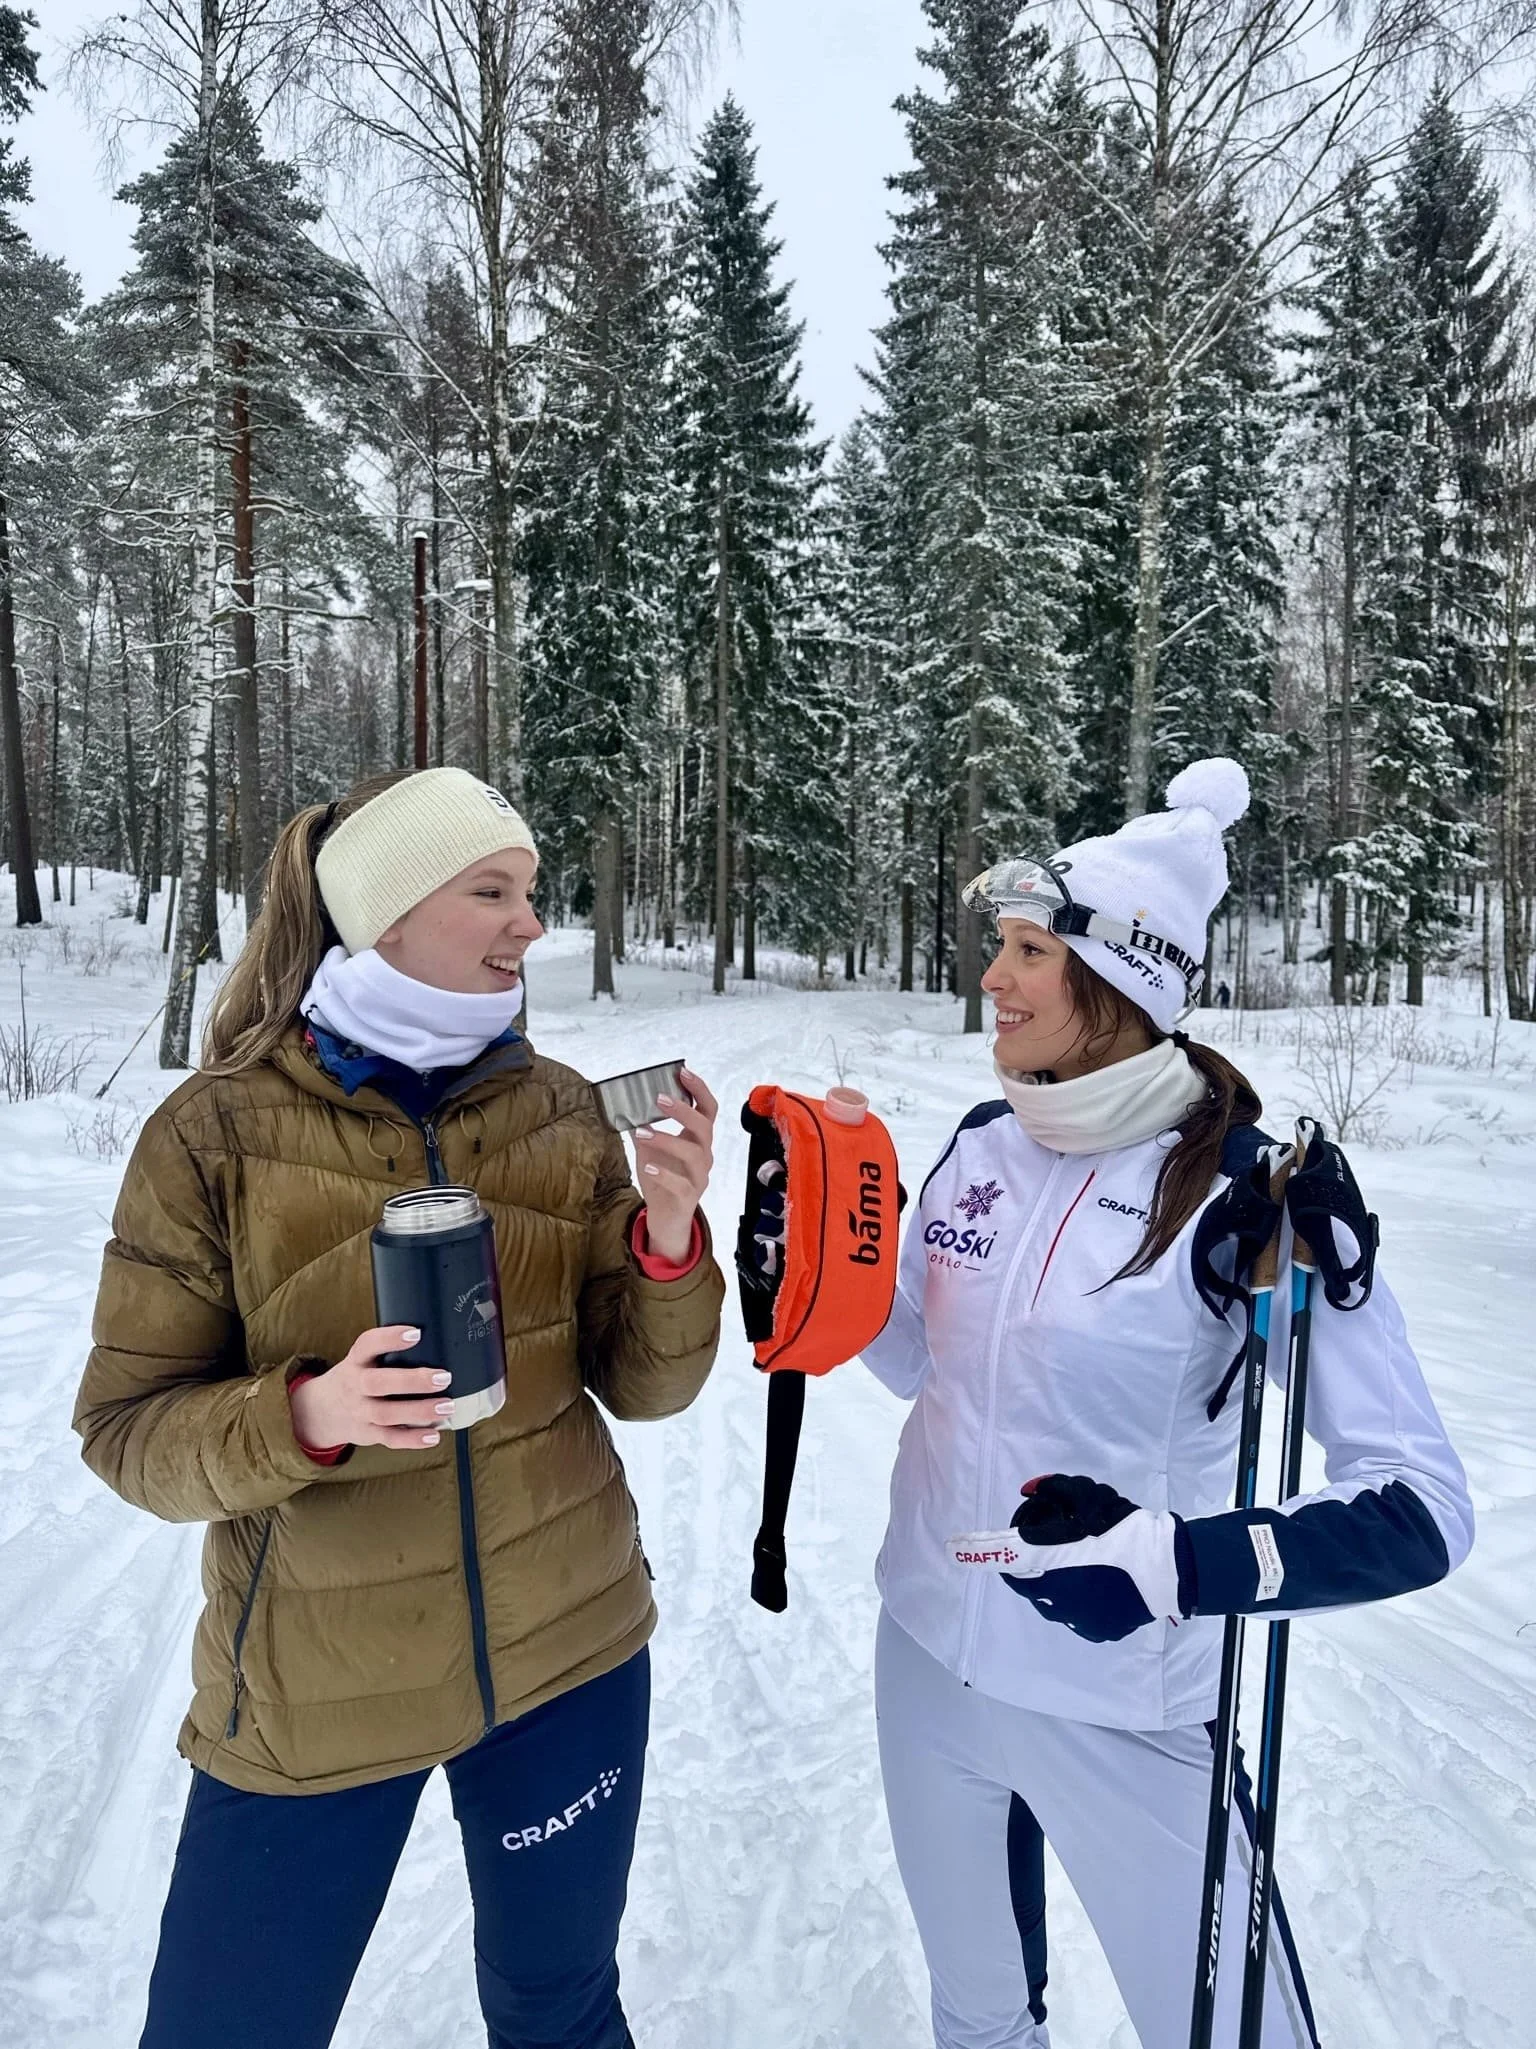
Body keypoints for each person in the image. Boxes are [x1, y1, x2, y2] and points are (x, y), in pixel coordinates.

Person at [74, 767, 725, 2049]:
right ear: (384, 914)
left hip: (569, 1655)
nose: (532, 923)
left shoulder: (555, 1110)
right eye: (493, 891)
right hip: (318, 1697)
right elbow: (126, 1433)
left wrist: (665, 1235)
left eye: (530, 892)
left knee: (562, 2009)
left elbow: (648, 1387)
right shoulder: (215, 1137)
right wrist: (306, 1417)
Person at [860, 759, 1472, 2049]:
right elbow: (919, 1360)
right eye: (1003, 944)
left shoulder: (1253, 1199)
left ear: (1124, 983)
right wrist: (813, 1270)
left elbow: (1423, 1510)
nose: (994, 977)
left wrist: (1180, 1563)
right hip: (925, 1655)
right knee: (976, 2015)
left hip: (1121, 1700)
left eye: (1030, 951)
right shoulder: (981, 1140)